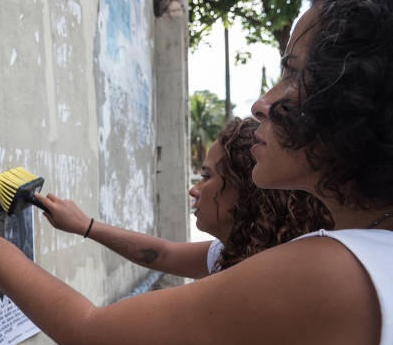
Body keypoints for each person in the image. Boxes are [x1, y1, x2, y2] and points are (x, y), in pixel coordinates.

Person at [0, 0, 393, 345]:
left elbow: (94, 335)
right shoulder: (365, 253)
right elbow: (163, 253)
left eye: (293, 74)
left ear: (359, 99)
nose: (262, 103)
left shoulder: (333, 272)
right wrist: (84, 226)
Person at [41, 117, 332, 278]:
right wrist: (85, 226)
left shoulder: (262, 277)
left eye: (206, 177)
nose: (194, 189)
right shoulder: (235, 253)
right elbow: (163, 253)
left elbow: (89, 329)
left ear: (244, 193)